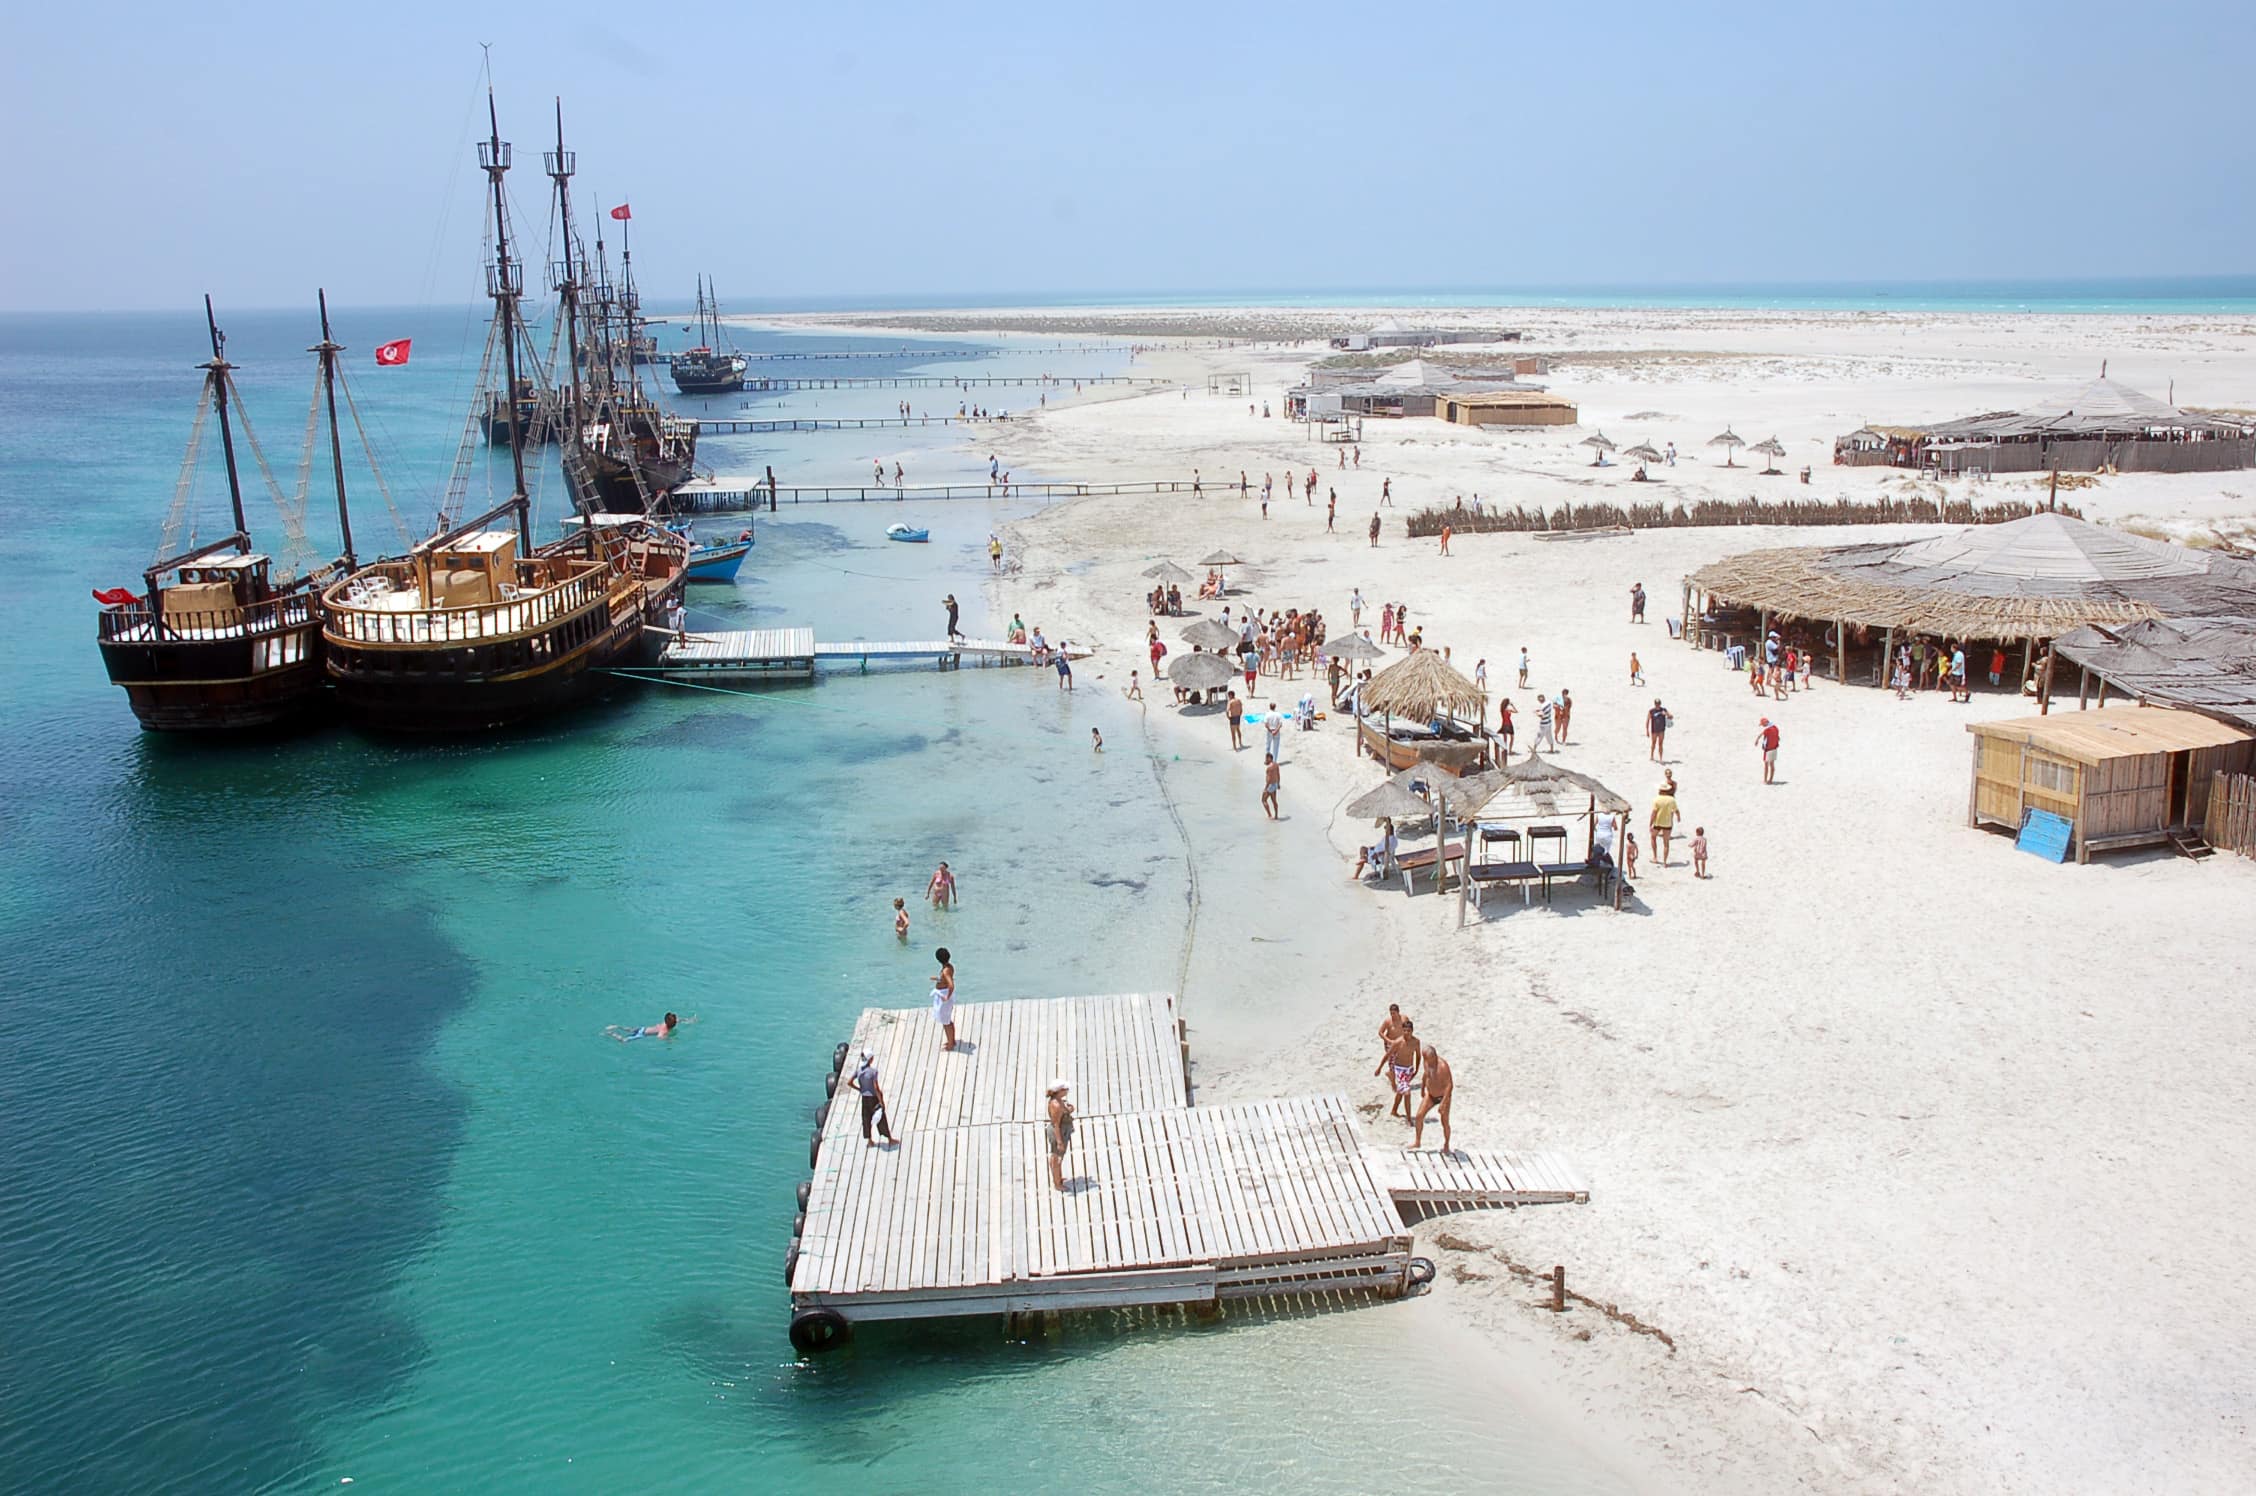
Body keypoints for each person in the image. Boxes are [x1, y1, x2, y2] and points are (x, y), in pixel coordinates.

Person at [1410, 1042, 1453, 1152]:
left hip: (1443, 1096)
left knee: (1445, 1121)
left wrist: (1443, 1103)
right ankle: (1417, 1141)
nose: (1427, 1060)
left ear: (1434, 1056)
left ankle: (1446, 1144)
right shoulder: (1427, 1062)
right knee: (1419, 1116)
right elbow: (1426, 1074)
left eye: (1429, 1058)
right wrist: (1423, 1087)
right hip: (1430, 1095)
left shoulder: (1442, 1066)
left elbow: (1449, 1085)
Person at [851, 1051, 895, 1146]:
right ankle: (890, 1139)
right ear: (870, 1060)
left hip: (864, 1098)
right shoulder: (873, 1072)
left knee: (866, 1118)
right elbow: (876, 1087)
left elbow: (849, 1082)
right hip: (873, 1098)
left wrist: (859, 1089)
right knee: (881, 1118)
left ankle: (870, 1141)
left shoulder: (858, 1071)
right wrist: (881, 1101)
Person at [1385, 1019, 1420, 1119]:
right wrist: (1379, 1068)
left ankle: (1394, 1111)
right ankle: (1409, 1119)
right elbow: (1388, 1054)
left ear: (1412, 1031)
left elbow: (1418, 1056)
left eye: (1408, 1031)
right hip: (1399, 1070)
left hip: (1409, 1069)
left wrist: (1417, 1069)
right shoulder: (1398, 1042)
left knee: (1401, 1091)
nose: (1406, 1033)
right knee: (1407, 1093)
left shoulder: (1416, 1042)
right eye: (1404, 1030)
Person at [1045, 1080, 1075, 1192]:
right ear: (1059, 1091)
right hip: (1059, 1132)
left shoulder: (1058, 1100)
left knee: (1056, 1157)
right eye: (1065, 1089)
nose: (1067, 1091)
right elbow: (1057, 1125)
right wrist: (1060, 1142)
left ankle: (1058, 1177)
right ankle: (1057, 1184)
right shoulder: (1056, 1105)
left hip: (1062, 1130)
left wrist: (1069, 1110)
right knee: (1057, 1158)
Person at [931, 947, 958, 1051]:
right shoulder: (949, 967)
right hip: (944, 994)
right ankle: (952, 1040)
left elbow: (951, 984)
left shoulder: (946, 971)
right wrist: (938, 979)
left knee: (946, 1021)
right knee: (947, 1020)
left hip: (944, 997)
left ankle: (951, 1044)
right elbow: (947, 980)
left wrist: (947, 997)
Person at [1650, 781, 1680, 866]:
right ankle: (1665, 861)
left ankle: (1655, 857)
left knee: (1653, 837)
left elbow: (1654, 813)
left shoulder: (1657, 799)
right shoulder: (1672, 800)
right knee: (1666, 843)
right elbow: (1676, 810)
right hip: (1667, 823)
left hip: (1658, 822)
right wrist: (1678, 817)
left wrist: (1650, 823)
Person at [607, 1012, 688, 1042]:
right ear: (673, 1025)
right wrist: (669, 1039)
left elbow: (678, 1019)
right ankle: (611, 1034)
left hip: (643, 1028)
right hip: (642, 1034)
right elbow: (659, 1036)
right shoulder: (664, 1030)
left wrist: (688, 1020)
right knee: (624, 1040)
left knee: (629, 1029)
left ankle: (617, 1026)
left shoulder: (665, 1023)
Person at [1755, 716, 1781, 784]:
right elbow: (1778, 737)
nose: (1762, 725)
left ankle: (1765, 780)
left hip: (1768, 749)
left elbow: (1761, 734)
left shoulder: (1767, 729)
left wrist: (1757, 740)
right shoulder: (1775, 727)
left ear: (1765, 723)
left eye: (1762, 724)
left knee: (1766, 765)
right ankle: (1770, 780)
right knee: (1772, 764)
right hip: (1774, 748)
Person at [1261, 752, 1280, 818]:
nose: (1265, 760)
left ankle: (1269, 815)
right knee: (1274, 801)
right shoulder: (1276, 765)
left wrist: (1265, 789)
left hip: (1270, 785)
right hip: (1275, 784)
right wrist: (1278, 784)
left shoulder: (1269, 768)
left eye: (1266, 758)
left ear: (1269, 758)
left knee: (1263, 800)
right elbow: (1278, 775)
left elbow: (1268, 780)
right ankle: (1276, 816)